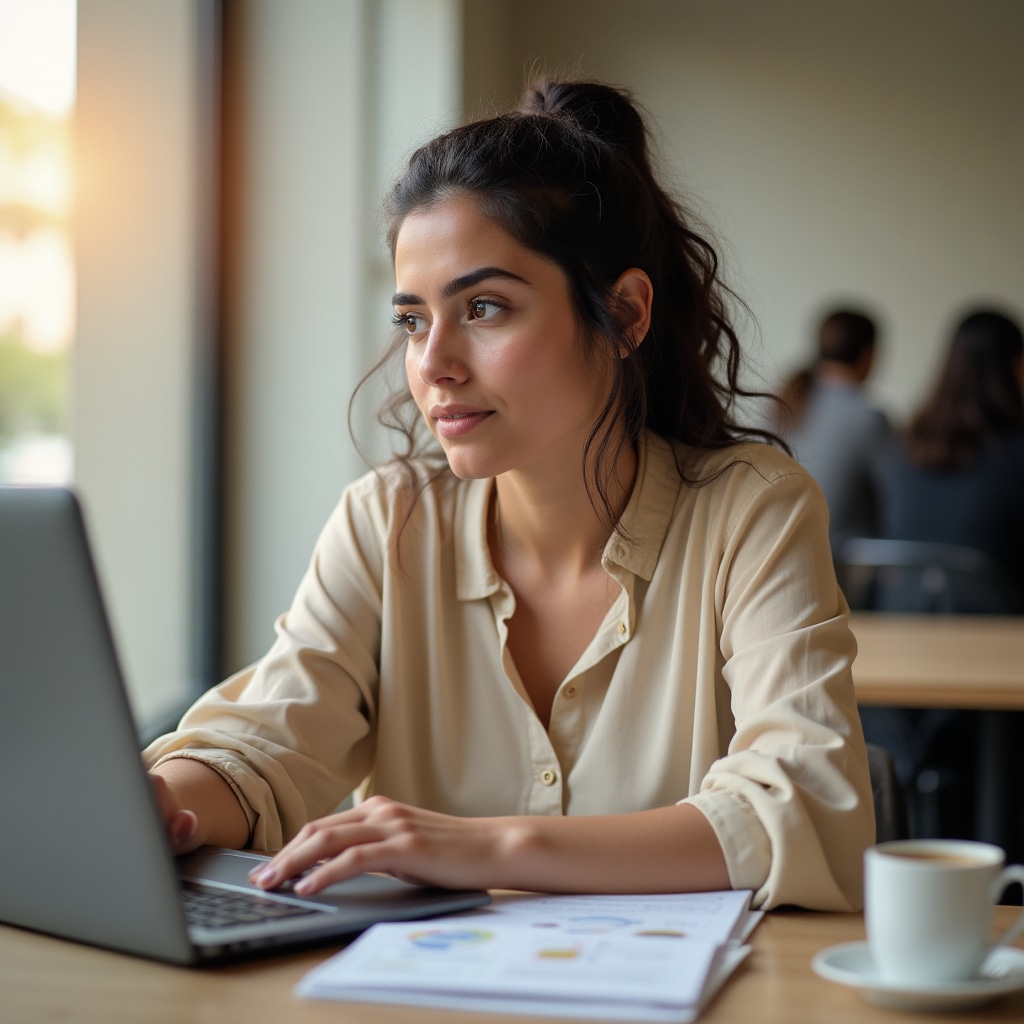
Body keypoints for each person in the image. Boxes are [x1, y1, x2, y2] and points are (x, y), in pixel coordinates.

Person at [143, 79, 873, 911]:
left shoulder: (753, 512)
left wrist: (485, 846)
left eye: (484, 307)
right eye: (414, 320)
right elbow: (268, 741)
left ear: (626, 313)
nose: (434, 363)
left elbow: (804, 802)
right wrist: (165, 800)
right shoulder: (387, 521)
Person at [872, 307, 1024, 605]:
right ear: (1014, 366)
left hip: (901, 622)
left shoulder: (902, 445)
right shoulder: (1015, 450)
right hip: (997, 634)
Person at [775, 308, 891, 553]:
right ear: (868, 355)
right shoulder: (868, 418)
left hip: (770, 552)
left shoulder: (779, 403)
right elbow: (894, 501)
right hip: (839, 566)